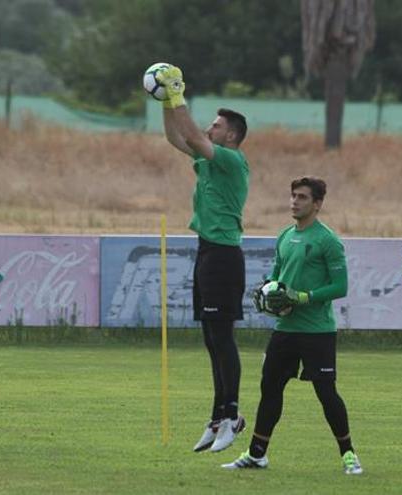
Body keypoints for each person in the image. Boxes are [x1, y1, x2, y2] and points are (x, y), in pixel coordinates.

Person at [221, 177, 363, 475]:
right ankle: (257, 454)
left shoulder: (327, 240)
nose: (294, 202)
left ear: (317, 204)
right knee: (270, 389)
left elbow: (340, 286)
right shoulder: (285, 235)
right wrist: (267, 293)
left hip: (318, 331)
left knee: (327, 393)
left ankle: (349, 455)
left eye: (302, 197)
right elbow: (276, 277)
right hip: (285, 329)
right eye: (293, 196)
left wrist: (303, 296)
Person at [157, 65, 249, 453]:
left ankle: (233, 416)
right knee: (212, 340)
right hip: (207, 254)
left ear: (230, 135)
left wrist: (179, 95)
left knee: (223, 339)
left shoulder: (230, 160)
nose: (209, 129)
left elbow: (192, 134)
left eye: (216, 125)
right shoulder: (209, 162)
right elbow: (177, 137)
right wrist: (165, 101)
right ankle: (216, 418)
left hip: (224, 257)